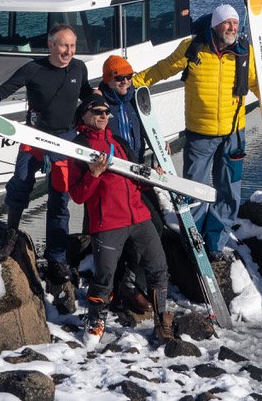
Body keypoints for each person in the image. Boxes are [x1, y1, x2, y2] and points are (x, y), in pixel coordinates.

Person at [0, 22, 92, 308]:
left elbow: (87, 94)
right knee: (20, 183)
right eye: (64, 46)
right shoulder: (33, 69)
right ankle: (11, 236)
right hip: (32, 136)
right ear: (51, 45)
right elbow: (1, 93)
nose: (69, 51)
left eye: (72, 46)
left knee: (60, 199)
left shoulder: (79, 68)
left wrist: (101, 100)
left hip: (66, 139)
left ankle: (56, 259)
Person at [135, 3, 262, 257]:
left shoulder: (244, 53)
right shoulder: (193, 49)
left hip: (234, 135)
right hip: (199, 134)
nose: (232, 28)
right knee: (193, 191)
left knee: (230, 192)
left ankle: (214, 241)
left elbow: (259, 84)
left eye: (235, 24)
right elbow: (162, 68)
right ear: (215, 25)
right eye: (227, 23)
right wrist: (134, 84)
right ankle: (194, 238)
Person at [66, 93, 174, 346]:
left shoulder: (120, 143)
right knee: (104, 277)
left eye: (106, 112)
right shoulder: (78, 148)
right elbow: (78, 196)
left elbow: (137, 177)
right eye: (97, 112)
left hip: (138, 216)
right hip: (108, 221)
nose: (103, 116)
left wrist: (155, 172)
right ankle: (95, 320)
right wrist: (93, 175)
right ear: (84, 115)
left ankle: (161, 319)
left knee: (159, 269)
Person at [98, 54, 155, 314]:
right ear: (109, 79)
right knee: (118, 232)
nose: (125, 81)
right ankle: (112, 291)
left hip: (137, 172)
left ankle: (133, 283)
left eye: (129, 76)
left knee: (153, 224)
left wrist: (158, 148)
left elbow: (147, 128)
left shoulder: (134, 100)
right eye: (119, 77)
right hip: (112, 176)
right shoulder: (99, 105)